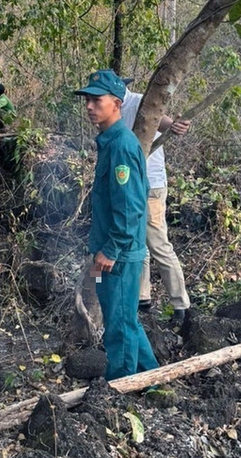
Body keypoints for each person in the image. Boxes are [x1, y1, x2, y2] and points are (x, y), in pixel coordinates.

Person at [75, 69, 159, 381]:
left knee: (118, 325)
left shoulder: (122, 146)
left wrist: (109, 250)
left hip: (117, 256)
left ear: (117, 104)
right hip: (104, 253)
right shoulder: (108, 142)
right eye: (87, 100)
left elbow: (132, 207)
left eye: (96, 100)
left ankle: (120, 387)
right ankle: (152, 379)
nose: (89, 106)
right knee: (123, 318)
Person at [120, 80, 191, 327]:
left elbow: (169, 125)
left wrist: (177, 126)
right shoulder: (111, 109)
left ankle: (181, 306)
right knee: (138, 243)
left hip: (151, 185)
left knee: (158, 244)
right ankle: (142, 299)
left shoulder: (140, 101)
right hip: (129, 184)